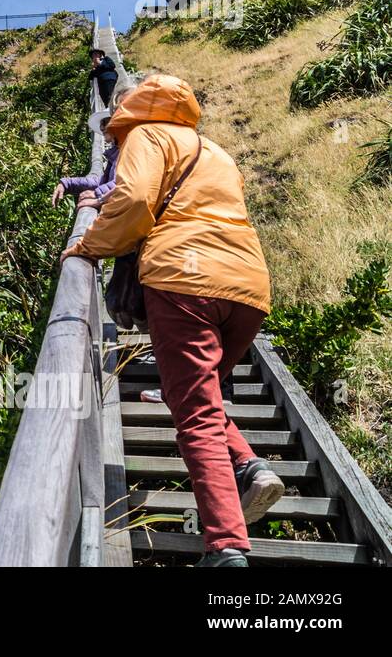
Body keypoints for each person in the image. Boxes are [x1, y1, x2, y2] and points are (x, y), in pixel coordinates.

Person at [60, 74, 282, 567]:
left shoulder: (146, 135)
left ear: (135, 107)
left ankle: (226, 546)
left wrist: (90, 245)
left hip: (184, 280)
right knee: (199, 393)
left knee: (195, 415)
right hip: (247, 286)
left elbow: (135, 199)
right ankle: (249, 466)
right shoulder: (213, 148)